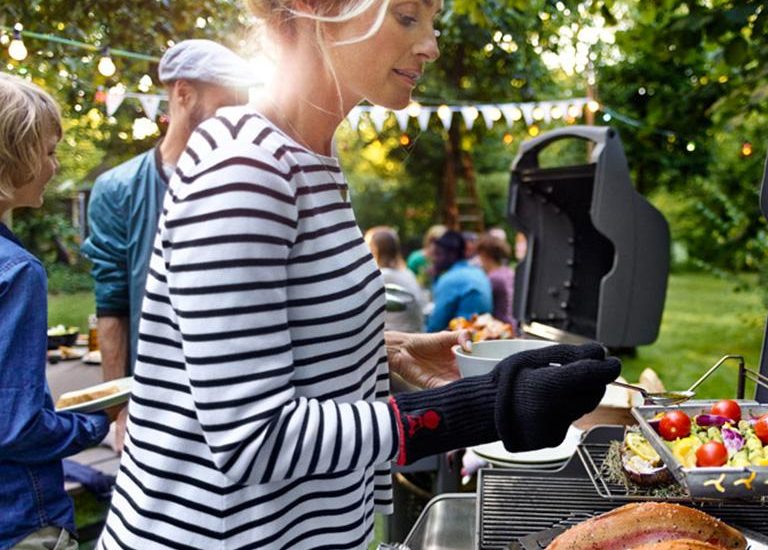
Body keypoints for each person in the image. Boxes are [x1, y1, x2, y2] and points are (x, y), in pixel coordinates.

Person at [96, 1, 619, 548]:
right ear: (316, 9)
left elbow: (272, 342)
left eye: (432, 21)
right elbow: (251, 437)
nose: (432, 45)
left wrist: (384, 353)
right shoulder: (244, 165)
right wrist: (487, 408)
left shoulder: (312, 156)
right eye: (407, 16)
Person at [81, 40, 256, 389]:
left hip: (238, 391)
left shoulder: (251, 180)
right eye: (225, 107)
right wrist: (118, 406)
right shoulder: (118, 189)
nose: (236, 119)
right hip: (155, 392)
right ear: (184, 94)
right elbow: (112, 302)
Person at [0, 73, 115, 550]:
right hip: (20, 519)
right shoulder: (16, 272)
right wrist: (101, 420)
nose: (54, 165)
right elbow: (16, 425)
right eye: (48, 151)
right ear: (15, 156)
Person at [426, 230, 493, 332]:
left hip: (461, 340)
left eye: (438, 254)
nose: (434, 259)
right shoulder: (479, 272)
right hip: (482, 334)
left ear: (451, 254)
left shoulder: (449, 279)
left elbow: (435, 326)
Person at [365, 225, 426, 332]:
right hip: (417, 333)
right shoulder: (407, 273)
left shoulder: (380, 277)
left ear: (373, 249)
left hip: (397, 337)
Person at [476, 233, 516, 329]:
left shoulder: (493, 278)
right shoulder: (508, 271)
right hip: (512, 325)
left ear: (484, 254)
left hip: (500, 327)